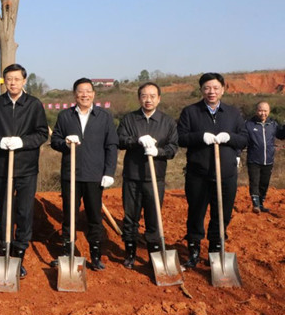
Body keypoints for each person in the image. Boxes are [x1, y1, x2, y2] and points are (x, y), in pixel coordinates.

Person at [0, 64, 49, 278]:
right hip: (3, 167)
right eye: (9, 79)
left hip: (27, 167)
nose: (13, 83)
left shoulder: (34, 105)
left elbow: (42, 134)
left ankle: (19, 252)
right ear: (4, 81)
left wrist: (23, 142)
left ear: (24, 81)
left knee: (24, 211)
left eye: (17, 79)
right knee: (5, 209)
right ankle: (5, 247)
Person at [177, 73, 247, 268]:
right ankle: (193, 251)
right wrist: (200, 137)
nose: (211, 92)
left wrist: (230, 137)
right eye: (207, 88)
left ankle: (216, 250)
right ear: (201, 90)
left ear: (223, 89)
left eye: (216, 88)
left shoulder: (233, 113)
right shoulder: (190, 112)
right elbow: (181, 138)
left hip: (226, 175)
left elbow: (244, 139)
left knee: (222, 214)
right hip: (198, 175)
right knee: (196, 212)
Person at [50, 78, 118, 271]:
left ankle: (95, 256)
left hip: (95, 175)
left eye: (88, 91)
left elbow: (111, 145)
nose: (84, 95)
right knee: (69, 215)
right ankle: (67, 252)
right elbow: (54, 141)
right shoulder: (65, 116)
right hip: (71, 175)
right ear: (75, 95)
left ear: (94, 94)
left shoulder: (104, 116)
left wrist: (109, 172)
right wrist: (65, 142)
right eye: (80, 91)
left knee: (94, 216)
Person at [117, 82, 178, 268]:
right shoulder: (129, 119)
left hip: (155, 178)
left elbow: (173, 148)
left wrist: (159, 152)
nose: (148, 100)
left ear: (159, 99)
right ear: (139, 98)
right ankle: (130, 253)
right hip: (132, 177)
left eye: (152, 96)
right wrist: (137, 141)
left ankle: (154, 255)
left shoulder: (167, 122)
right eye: (144, 96)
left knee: (154, 217)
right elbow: (120, 140)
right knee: (130, 217)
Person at [245, 102, 285, 213]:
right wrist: (237, 155)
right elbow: (243, 140)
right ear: (256, 111)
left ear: (269, 111)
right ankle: (256, 205)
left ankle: (261, 204)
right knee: (254, 182)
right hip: (253, 159)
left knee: (264, 183)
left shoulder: (273, 124)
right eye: (260, 110)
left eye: (265, 111)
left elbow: (281, 136)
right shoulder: (249, 124)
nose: (263, 113)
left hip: (268, 160)